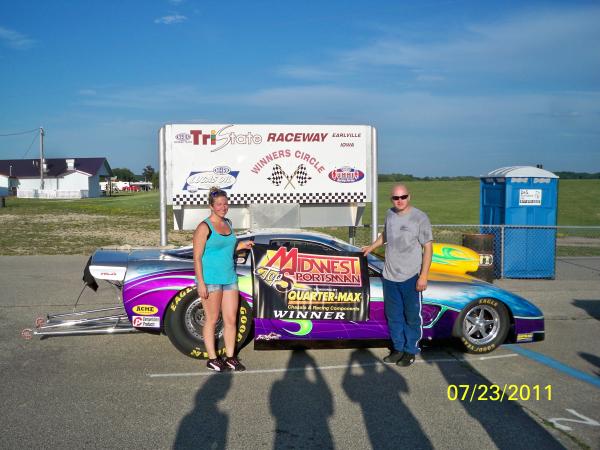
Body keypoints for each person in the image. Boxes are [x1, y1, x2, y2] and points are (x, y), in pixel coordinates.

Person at [362, 184, 433, 367]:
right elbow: (385, 235)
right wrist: (371, 247)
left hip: (410, 277)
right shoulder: (390, 214)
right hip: (389, 276)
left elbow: (428, 247)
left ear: (409, 196)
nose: (399, 200)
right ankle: (398, 349)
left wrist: (423, 276)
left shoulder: (420, 217)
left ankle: (410, 350)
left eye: (403, 197)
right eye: (396, 198)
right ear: (391, 199)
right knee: (393, 316)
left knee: (411, 316)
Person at [193, 187, 254, 372]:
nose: (223, 207)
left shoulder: (228, 223)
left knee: (230, 320)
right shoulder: (204, 227)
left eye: (225, 204)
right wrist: (201, 283)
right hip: (211, 280)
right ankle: (212, 358)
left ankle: (230, 357)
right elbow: (197, 257)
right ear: (211, 206)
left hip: (229, 278)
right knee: (212, 319)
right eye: (219, 204)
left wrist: (241, 245)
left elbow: (226, 249)